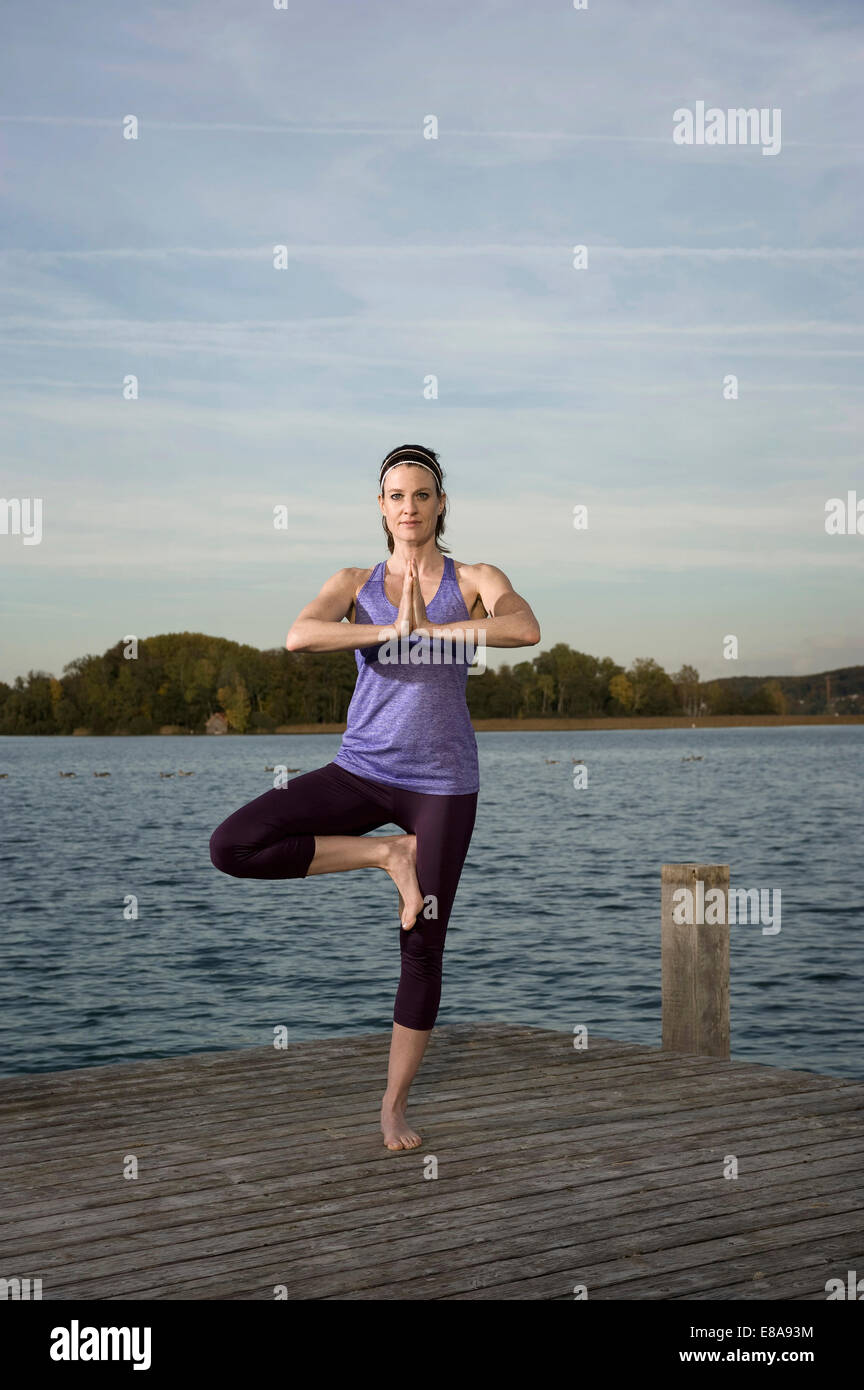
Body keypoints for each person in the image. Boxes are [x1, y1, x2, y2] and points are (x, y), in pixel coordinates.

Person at [209, 444, 540, 1150]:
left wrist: (437, 632)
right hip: (360, 768)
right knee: (232, 845)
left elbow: (523, 627)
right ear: (381, 507)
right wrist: (390, 631)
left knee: (422, 938)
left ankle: (393, 1108)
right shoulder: (355, 581)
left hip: (443, 782)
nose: (409, 507)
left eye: (422, 495)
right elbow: (300, 635)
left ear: (441, 504)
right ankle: (385, 853)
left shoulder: (474, 576)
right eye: (396, 495)